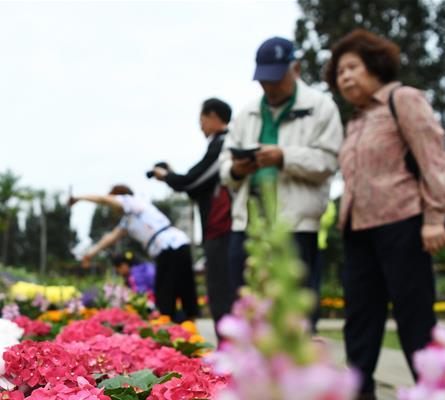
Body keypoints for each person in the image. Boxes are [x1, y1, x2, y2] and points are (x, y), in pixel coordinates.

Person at [325, 28, 445, 400]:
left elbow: (433, 160)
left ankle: (432, 398)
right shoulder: (357, 120)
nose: (345, 76)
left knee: (414, 310)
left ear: (375, 65)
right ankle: (360, 385)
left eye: (352, 67)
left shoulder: (403, 99)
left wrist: (435, 217)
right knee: (360, 312)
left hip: (403, 220)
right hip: (358, 227)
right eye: (339, 72)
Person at [219, 36, 343, 304]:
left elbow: (328, 162)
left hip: (296, 225)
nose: (270, 87)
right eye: (264, 81)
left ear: (295, 69)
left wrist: (284, 156)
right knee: (245, 303)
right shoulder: (247, 113)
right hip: (249, 226)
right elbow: (224, 167)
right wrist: (238, 170)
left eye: (276, 79)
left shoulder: (321, 107)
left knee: (295, 310)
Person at [152, 98, 235, 331]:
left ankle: (230, 355)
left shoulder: (224, 143)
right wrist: (173, 176)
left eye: (201, 120)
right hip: (218, 229)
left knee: (222, 291)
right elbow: (195, 184)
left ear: (212, 116)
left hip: (223, 228)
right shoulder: (220, 144)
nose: (200, 126)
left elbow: (193, 180)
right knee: (220, 290)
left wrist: (167, 176)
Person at [71, 185, 198, 320]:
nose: (113, 207)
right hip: (169, 247)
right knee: (174, 290)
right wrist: (90, 254)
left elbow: (103, 199)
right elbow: (110, 238)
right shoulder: (127, 220)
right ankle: (179, 324)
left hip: (170, 245)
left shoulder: (131, 201)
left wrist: (78, 198)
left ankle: (181, 323)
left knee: (173, 290)